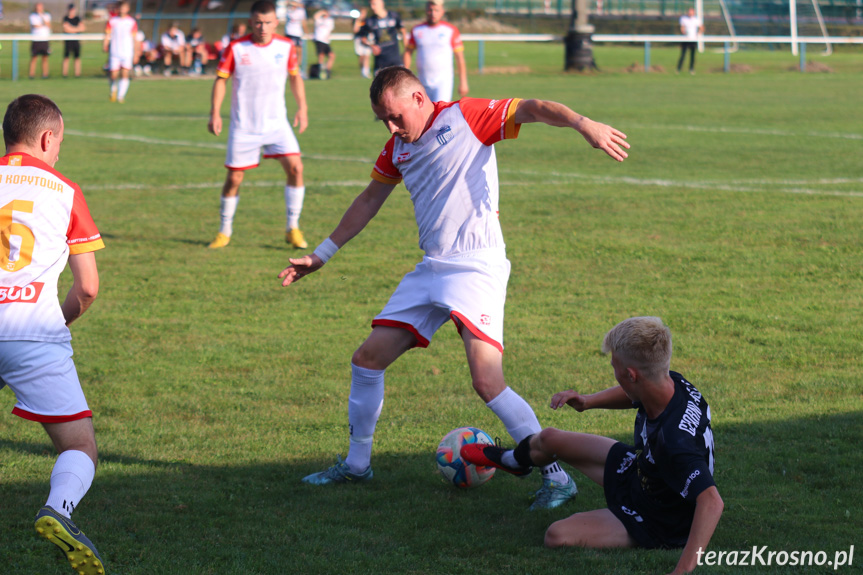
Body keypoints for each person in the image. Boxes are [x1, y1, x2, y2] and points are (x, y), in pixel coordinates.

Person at [279, 67, 629, 510]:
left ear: (420, 98)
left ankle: (557, 477)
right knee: (367, 360)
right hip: (431, 268)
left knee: (486, 381)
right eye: (382, 121)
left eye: (395, 116)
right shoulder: (397, 149)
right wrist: (321, 255)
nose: (390, 128)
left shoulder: (467, 117)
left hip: (476, 266)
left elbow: (533, 109)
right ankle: (356, 465)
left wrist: (584, 124)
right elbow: (370, 199)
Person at [461, 317, 724, 574]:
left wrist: (682, 570)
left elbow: (712, 502)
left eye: (615, 366)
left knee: (557, 535)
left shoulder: (675, 442)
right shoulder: (670, 381)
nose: (614, 371)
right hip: (644, 472)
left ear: (631, 374)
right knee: (550, 438)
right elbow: (635, 392)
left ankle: (648, 531)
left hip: (660, 519)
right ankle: (512, 461)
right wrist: (587, 401)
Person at [0, 94, 107, 575]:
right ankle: (57, 510)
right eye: (60, 141)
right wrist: (56, 322)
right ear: (47, 138)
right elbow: (87, 288)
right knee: (79, 447)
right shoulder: (65, 190)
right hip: (34, 335)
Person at [207, 0, 309, 250]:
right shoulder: (236, 48)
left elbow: (295, 77)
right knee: (234, 179)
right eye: (258, 22)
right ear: (251, 22)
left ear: (276, 23)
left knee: (296, 168)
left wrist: (302, 108)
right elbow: (221, 80)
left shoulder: (286, 47)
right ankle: (224, 231)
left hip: (277, 123)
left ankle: (292, 228)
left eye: (268, 23)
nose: (262, 27)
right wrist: (215, 113)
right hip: (244, 126)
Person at [403, 0, 468, 102]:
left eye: (436, 10)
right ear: (426, 11)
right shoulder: (417, 30)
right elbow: (408, 52)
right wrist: (405, 74)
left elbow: (460, 58)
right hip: (422, 82)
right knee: (423, 115)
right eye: (430, 10)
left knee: (440, 113)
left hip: (443, 83)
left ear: (442, 11)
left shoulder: (450, 30)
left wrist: (463, 82)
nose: (433, 13)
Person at [103, 0, 140, 103]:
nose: (122, 9)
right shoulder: (112, 21)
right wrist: (105, 44)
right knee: (113, 74)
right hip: (115, 51)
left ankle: (120, 96)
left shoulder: (131, 22)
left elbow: (134, 38)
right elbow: (107, 34)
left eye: (124, 7)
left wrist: (136, 52)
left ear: (128, 9)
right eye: (121, 7)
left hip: (127, 52)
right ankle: (113, 90)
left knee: (124, 73)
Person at [359, 0, 404, 75]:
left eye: (374, 4)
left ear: (381, 3)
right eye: (370, 5)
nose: (372, 7)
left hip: (395, 60)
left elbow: (403, 31)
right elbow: (363, 39)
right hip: (380, 62)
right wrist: (371, 46)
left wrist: (406, 50)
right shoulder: (370, 21)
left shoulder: (393, 16)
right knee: (380, 86)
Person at [29, 2, 52, 79]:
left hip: (45, 39)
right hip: (36, 39)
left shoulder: (46, 15)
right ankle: (31, 75)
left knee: (45, 57)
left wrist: (42, 18)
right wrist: (43, 24)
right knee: (34, 57)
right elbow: (35, 25)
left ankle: (45, 74)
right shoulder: (33, 16)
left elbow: (48, 25)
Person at [677, 7, 704, 75]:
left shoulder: (696, 19)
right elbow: (682, 27)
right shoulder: (683, 18)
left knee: (692, 55)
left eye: (691, 12)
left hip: (693, 39)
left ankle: (691, 69)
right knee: (683, 54)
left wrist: (698, 34)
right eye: (689, 11)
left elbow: (702, 28)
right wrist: (683, 32)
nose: (690, 13)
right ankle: (679, 69)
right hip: (685, 39)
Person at [62, 3, 85, 78]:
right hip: (68, 41)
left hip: (76, 40)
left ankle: (77, 74)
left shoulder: (78, 18)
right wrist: (76, 29)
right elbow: (66, 28)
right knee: (66, 57)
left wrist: (72, 29)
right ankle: (65, 74)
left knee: (77, 57)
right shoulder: (65, 18)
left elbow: (83, 28)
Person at [313, 8, 335, 80]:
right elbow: (315, 17)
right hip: (319, 40)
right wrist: (321, 12)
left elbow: (330, 29)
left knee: (331, 55)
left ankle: (327, 71)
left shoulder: (330, 21)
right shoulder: (319, 19)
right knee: (321, 56)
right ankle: (319, 71)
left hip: (326, 41)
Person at [283, 0, 307, 66]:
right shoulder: (289, 11)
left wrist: (305, 32)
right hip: (290, 33)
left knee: (299, 51)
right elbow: (288, 3)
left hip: (297, 34)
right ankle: (290, 67)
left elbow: (304, 22)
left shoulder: (300, 11)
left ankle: (297, 68)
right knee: (291, 51)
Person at [352, 7, 372, 78]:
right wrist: (358, 20)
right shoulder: (357, 21)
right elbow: (355, 30)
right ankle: (362, 70)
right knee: (361, 57)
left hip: (366, 39)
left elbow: (370, 29)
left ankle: (366, 72)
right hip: (359, 40)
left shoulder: (368, 21)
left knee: (367, 55)